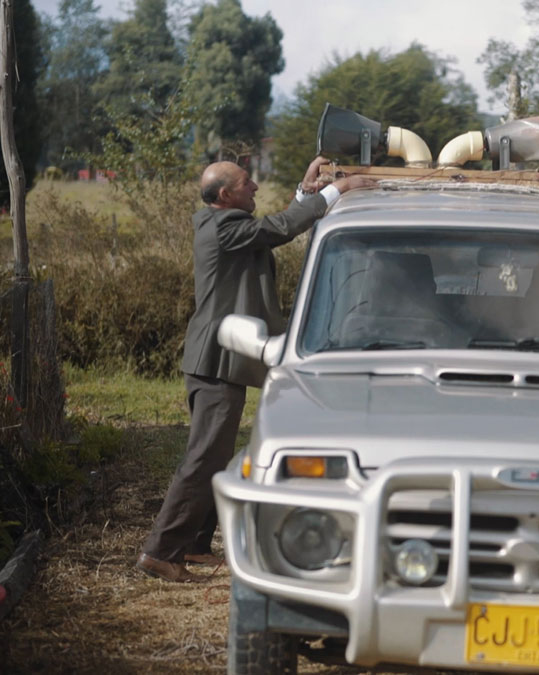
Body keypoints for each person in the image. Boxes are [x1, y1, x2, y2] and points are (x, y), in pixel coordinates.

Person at [136, 157, 373, 582]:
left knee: (215, 454)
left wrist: (305, 192)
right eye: (247, 183)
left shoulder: (226, 225)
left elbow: (274, 227)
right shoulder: (224, 228)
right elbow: (279, 228)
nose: (256, 187)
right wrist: (337, 190)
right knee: (204, 457)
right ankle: (160, 551)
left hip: (219, 358)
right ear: (225, 194)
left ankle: (193, 545)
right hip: (215, 359)